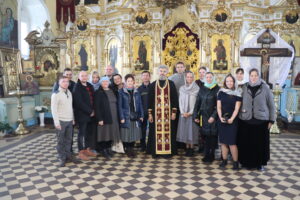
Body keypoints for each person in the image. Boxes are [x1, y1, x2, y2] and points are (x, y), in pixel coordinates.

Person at [238, 68, 275, 171]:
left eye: (255, 75)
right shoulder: (244, 87)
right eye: (251, 75)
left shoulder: (265, 88)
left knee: (260, 144)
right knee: (246, 143)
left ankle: (260, 163)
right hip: (246, 120)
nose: (253, 77)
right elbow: (238, 101)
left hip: (261, 121)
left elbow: (271, 105)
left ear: (258, 76)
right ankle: (246, 162)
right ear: (249, 76)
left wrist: (272, 120)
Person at [147, 65, 179, 158]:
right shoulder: (153, 85)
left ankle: (168, 152)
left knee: (170, 132)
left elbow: (174, 99)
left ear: (167, 72)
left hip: (168, 114)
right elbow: (150, 100)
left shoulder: (171, 84)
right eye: (161, 71)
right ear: (158, 72)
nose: (162, 73)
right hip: (156, 115)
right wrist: (150, 114)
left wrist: (174, 112)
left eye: (164, 71)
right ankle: (156, 152)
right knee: (154, 132)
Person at [51, 76, 77, 167]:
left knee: (69, 140)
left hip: (69, 120)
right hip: (61, 121)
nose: (66, 83)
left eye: (67, 81)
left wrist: (73, 118)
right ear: (59, 83)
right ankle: (62, 157)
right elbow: (53, 110)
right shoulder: (56, 94)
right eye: (63, 81)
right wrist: (57, 123)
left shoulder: (69, 92)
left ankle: (68, 155)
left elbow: (70, 107)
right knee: (60, 141)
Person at [194, 72, 220, 163]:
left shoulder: (217, 89)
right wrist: (195, 115)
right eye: (207, 77)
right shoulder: (202, 88)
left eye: (210, 77)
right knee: (205, 136)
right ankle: (206, 154)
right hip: (204, 117)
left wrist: (213, 116)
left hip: (213, 117)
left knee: (212, 136)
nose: (209, 79)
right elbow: (198, 103)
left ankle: (211, 154)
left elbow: (219, 106)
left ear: (213, 78)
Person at [217, 74, 242, 170]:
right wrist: (220, 117)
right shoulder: (221, 92)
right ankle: (224, 161)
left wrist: (232, 118)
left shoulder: (238, 93)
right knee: (223, 142)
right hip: (222, 120)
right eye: (227, 81)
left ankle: (235, 163)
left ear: (234, 82)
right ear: (225, 82)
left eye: (231, 81)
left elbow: (237, 109)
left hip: (233, 121)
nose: (229, 83)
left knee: (232, 143)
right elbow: (218, 107)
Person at [73, 71, 97, 160]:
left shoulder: (90, 86)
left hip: (92, 114)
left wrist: (94, 110)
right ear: (79, 77)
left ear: (88, 77)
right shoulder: (77, 87)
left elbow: (93, 99)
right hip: (82, 114)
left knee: (89, 133)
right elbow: (79, 102)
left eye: (85, 76)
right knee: (81, 134)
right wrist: (89, 111)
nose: (84, 77)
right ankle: (81, 152)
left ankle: (87, 149)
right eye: (82, 76)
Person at [95, 77, 121, 159]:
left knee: (111, 132)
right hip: (104, 116)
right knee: (104, 133)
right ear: (101, 83)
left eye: (107, 81)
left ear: (109, 82)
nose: (105, 83)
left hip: (113, 116)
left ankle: (108, 148)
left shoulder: (112, 90)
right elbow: (97, 107)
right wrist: (99, 119)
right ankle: (104, 150)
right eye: (103, 81)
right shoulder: (98, 92)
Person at [118, 74, 144, 158]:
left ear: (134, 82)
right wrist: (121, 117)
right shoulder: (121, 92)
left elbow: (140, 104)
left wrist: (141, 115)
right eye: (128, 81)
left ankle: (131, 148)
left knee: (133, 133)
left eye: (131, 81)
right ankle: (128, 149)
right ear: (125, 82)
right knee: (126, 134)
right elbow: (119, 106)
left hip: (135, 116)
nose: (130, 82)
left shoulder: (137, 92)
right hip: (126, 116)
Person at [176, 71, 199, 157]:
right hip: (183, 114)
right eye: (188, 77)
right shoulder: (182, 88)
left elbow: (197, 103)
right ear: (185, 78)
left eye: (191, 77)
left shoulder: (196, 88)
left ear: (193, 78)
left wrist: (190, 113)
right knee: (185, 131)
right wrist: (182, 112)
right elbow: (180, 101)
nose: (189, 78)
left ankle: (191, 148)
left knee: (191, 131)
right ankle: (187, 148)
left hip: (192, 114)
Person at [137, 71, 151, 152]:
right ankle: (143, 146)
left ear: (149, 77)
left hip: (152, 113)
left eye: (147, 75)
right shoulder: (139, 89)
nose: (145, 77)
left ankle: (150, 146)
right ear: (141, 77)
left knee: (152, 130)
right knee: (143, 130)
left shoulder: (153, 87)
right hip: (143, 113)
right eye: (144, 76)